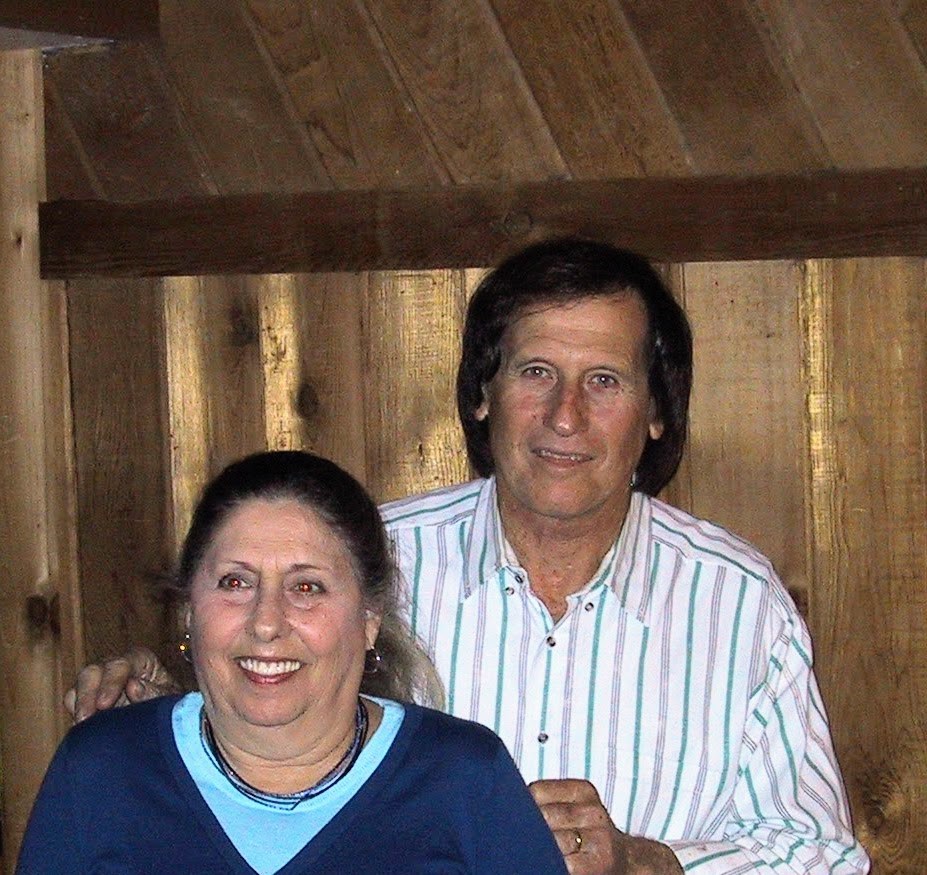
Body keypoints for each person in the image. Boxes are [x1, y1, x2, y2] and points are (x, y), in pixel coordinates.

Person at [66, 239, 870, 874]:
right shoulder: (364, 564)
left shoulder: (736, 599)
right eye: (535, 372)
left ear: (656, 411)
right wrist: (166, 693)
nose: (564, 415)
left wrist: (650, 863)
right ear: (482, 394)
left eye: (603, 380)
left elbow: (824, 856)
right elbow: (258, 713)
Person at [19, 451, 568, 874]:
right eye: (235, 583)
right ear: (188, 609)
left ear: (369, 618)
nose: (266, 623)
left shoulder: (466, 779)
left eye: (307, 587)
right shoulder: (101, 770)